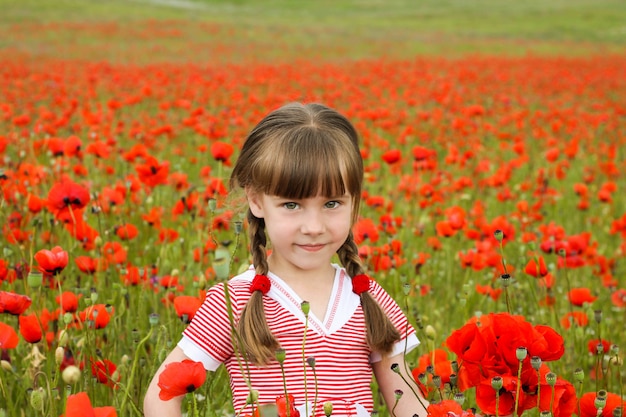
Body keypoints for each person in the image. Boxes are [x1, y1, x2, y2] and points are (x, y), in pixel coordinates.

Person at [143, 102, 429, 417]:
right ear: (256, 200)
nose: (314, 227)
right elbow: (162, 395)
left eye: (332, 203)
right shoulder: (233, 301)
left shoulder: (368, 297)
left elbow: (409, 403)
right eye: (292, 205)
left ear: (354, 202)